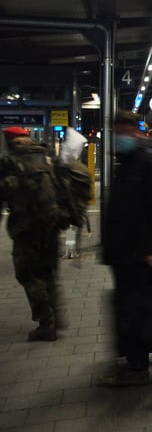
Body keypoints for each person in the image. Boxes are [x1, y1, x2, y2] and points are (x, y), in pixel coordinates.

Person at [99, 111, 152, 386]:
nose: (120, 136)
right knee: (139, 307)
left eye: (125, 130)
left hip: (140, 253)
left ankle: (137, 367)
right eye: (117, 131)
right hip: (125, 251)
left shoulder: (150, 162)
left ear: (138, 131)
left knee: (133, 310)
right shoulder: (127, 161)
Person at [0, 126, 65, 341]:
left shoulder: (9, 163)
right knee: (48, 271)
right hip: (51, 225)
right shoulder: (46, 158)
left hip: (27, 229)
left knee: (27, 274)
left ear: (9, 142)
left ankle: (47, 323)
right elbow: (61, 188)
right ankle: (57, 314)